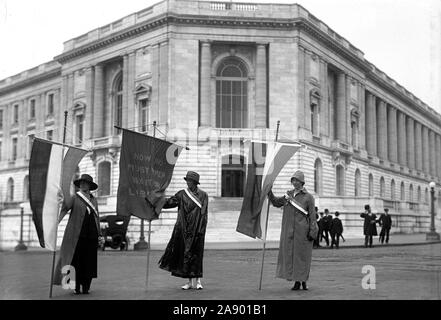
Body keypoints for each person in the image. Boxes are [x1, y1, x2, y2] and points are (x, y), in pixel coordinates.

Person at [156, 171, 208, 290]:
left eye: (190, 181)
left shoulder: (204, 195)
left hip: (197, 230)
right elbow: (169, 203)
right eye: (187, 181)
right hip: (183, 230)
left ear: (195, 183)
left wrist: (201, 230)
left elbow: (204, 214)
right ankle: (189, 282)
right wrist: (157, 199)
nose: (188, 183)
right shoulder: (181, 194)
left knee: (197, 255)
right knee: (186, 255)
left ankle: (198, 280)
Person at [53, 174, 104, 294]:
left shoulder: (94, 200)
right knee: (76, 261)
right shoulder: (74, 198)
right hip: (77, 236)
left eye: (85, 183)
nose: (83, 184)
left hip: (91, 236)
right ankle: (75, 287)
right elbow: (65, 208)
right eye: (81, 182)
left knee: (89, 262)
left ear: (90, 186)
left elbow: (97, 217)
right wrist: (56, 223)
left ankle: (86, 287)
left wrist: (99, 234)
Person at [268, 170, 318, 291]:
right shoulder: (288, 195)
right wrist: (269, 192)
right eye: (293, 180)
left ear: (302, 182)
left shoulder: (309, 197)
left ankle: (303, 281)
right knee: (292, 256)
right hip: (289, 231)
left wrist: (313, 231)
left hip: (303, 232)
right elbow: (275, 202)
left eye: (297, 180)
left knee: (302, 257)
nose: (294, 182)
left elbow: (312, 215)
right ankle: (296, 281)